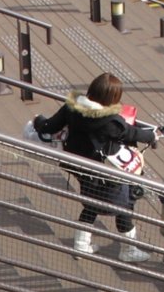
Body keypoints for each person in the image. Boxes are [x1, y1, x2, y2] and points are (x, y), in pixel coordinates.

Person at [31, 72, 156, 261]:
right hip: (104, 171)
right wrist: (153, 136)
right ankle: (128, 250)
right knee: (125, 204)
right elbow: (131, 133)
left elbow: (49, 126)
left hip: (79, 166)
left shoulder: (72, 107)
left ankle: (81, 245)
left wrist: (38, 121)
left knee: (91, 201)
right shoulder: (110, 122)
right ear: (112, 98)